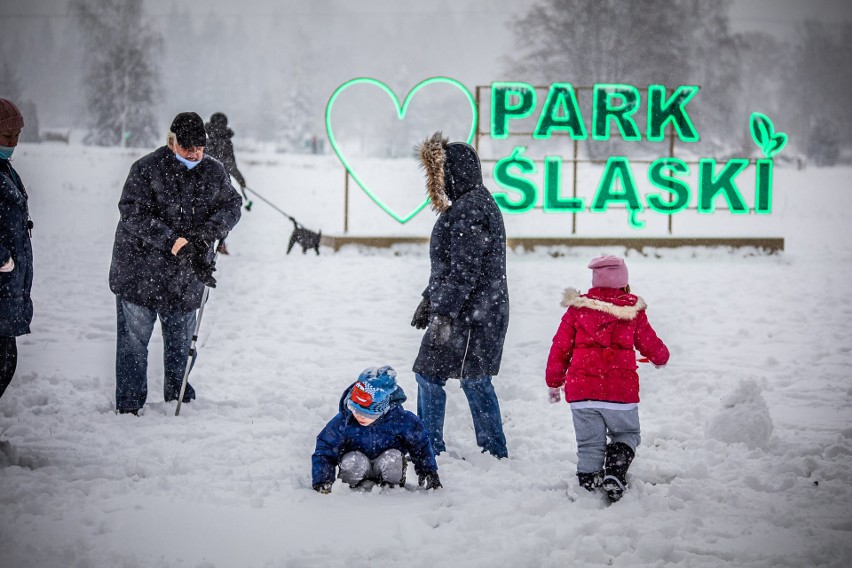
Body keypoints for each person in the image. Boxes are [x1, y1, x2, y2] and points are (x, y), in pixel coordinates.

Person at [108, 112, 242, 415]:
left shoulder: (214, 172)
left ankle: (178, 393)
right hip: (139, 273)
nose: (194, 154)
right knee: (133, 345)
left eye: (199, 148)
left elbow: (232, 205)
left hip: (186, 276)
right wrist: (174, 241)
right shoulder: (145, 169)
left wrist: (205, 238)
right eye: (187, 147)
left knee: (181, 344)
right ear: (172, 142)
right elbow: (132, 213)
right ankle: (129, 406)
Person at [410, 132, 510, 459]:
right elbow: (452, 266)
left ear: (452, 174)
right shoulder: (469, 206)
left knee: (471, 379)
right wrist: (430, 299)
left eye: (439, 176)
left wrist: (442, 313)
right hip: (470, 312)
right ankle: (433, 447)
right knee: (438, 374)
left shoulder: (470, 210)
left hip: (471, 317)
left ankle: (490, 451)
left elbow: (464, 271)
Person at [545, 255, 670, 502]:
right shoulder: (632, 310)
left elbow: (560, 348)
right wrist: (660, 357)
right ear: (624, 282)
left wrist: (554, 381)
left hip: (582, 394)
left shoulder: (577, 309)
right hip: (619, 394)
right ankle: (615, 469)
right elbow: (649, 342)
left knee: (589, 443)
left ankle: (588, 480)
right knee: (627, 434)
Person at [312, 366, 441, 493]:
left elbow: (420, 444)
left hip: (386, 464)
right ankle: (349, 490)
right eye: (356, 412)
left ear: (383, 409)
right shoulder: (344, 420)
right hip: (357, 464)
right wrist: (323, 480)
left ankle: (391, 490)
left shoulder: (400, 419)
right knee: (354, 460)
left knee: (393, 458)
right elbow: (325, 448)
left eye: (367, 415)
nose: (360, 417)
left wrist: (428, 471)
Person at [0, 99, 33, 401]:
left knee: (6, 362)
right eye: (6, 137)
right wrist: (3, 258)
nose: (12, 143)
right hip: (3, 281)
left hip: (9, 288)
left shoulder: (6, 169)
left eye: (16, 136)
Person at [205, 112, 250, 255]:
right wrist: (240, 180)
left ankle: (213, 242)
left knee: (208, 214)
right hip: (221, 184)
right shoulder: (225, 142)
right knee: (223, 214)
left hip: (205, 184)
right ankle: (219, 243)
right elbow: (231, 165)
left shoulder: (206, 139)